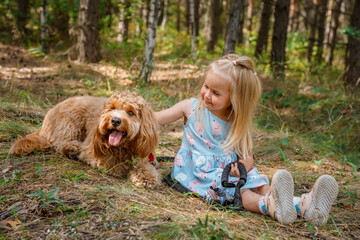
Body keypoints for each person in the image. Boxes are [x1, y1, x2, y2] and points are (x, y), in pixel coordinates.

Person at [156, 54, 338, 226]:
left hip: (232, 171)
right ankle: (270, 206)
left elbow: (247, 156)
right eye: (206, 86)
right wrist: (131, 114)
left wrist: (243, 167)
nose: (207, 95)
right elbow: (155, 119)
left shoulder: (236, 122)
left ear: (234, 99)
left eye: (216, 93)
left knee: (260, 185)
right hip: (200, 174)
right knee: (242, 193)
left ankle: (304, 207)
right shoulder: (190, 107)